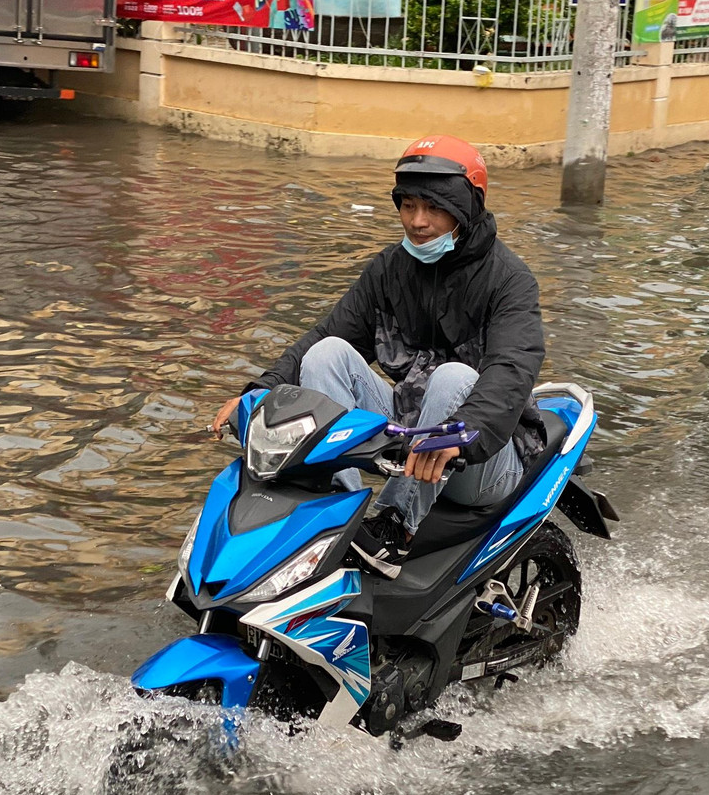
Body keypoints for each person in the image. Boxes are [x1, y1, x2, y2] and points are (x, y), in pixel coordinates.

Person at [211, 134, 546, 577]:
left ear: (467, 208)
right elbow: (326, 334)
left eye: (434, 208)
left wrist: (462, 439)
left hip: (482, 455)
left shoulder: (510, 281)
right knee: (327, 354)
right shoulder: (390, 269)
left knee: (449, 378)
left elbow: (510, 371)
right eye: (408, 206)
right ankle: (335, 509)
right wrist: (258, 393)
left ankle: (394, 527)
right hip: (412, 434)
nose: (418, 222)